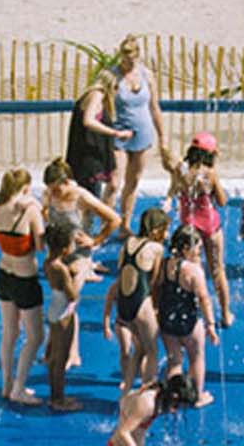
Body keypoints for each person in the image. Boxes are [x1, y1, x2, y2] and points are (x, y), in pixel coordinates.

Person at [0, 168, 45, 403]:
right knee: (35, 337)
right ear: (24, 189)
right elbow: (41, 245)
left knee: (9, 333)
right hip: (25, 278)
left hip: (4, 274)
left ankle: (6, 383)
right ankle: (19, 389)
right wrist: (38, 208)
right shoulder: (30, 211)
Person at [103, 206, 167, 394]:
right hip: (142, 303)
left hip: (124, 304)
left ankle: (127, 391)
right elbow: (155, 281)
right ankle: (147, 392)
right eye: (164, 229)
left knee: (137, 351)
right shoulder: (156, 248)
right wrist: (156, 307)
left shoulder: (128, 243)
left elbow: (121, 270)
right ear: (156, 230)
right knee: (153, 351)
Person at [168, 134, 231, 325]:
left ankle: (194, 310)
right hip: (210, 225)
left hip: (189, 226)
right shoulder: (209, 174)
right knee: (218, 271)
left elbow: (174, 191)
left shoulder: (181, 169)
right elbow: (221, 201)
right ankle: (225, 315)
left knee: (193, 271)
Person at [111, 36, 172, 225]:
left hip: (143, 132)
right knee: (114, 183)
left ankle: (125, 224)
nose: (128, 63)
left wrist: (163, 137)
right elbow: (104, 106)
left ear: (137, 57)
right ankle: (106, 224)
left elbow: (154, 107)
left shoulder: (146, 75)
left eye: (131, 60)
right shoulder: (113, 76)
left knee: (133, 181)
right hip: (120, 132)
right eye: (124, 59)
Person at [153, 226, 217, 406]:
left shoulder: (164, 265)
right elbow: (204, 299)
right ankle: (197, 395)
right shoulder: (194, 270)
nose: (199, 252)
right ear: (185, 249)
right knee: (196, 357)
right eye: (197, 248)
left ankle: (171, 397)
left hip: (167, 320)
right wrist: (210, 324)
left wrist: (156, 309)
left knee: (174, 361)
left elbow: (157, 288)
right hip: (189, 323)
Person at [41, 221, 89, 413]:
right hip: (64, 314)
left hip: (54, 308)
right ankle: (58, 399)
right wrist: (78, 277)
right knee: (60, 359)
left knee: (54, 357)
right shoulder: (60, 269)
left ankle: (55, 395)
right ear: (64, 248)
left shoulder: (48, 262)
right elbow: (72, 295)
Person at [66, 79, 123, 201]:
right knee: (89, 200)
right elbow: (88, 120)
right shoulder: (98, 94)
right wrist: (115, 132)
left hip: (83, 160)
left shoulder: (88, 96)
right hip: (89, 161)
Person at [105, 371, 196, 446]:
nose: (177, 410)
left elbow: (124, 401)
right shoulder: (147, 403)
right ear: (174, 397)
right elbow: (123, 432)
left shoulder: (160, 394)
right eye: (178, 405)